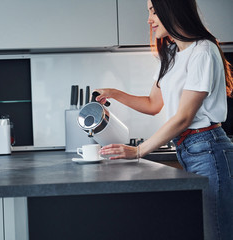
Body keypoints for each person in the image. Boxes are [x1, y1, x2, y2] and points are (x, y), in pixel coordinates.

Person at [95, 0, 233, 239]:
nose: (149, 19)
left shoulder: (203, 51)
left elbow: (184, 117)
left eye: (153, 11)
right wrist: (114, 94)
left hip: (209, 149)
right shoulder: (170, 53)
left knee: (216, 232)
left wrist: (139, 150)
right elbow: (153, 104)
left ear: (173, 9)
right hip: (188, 149)